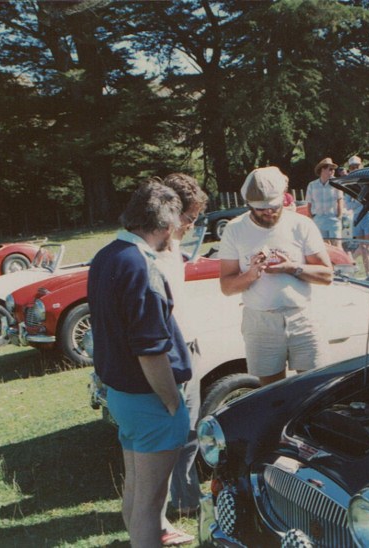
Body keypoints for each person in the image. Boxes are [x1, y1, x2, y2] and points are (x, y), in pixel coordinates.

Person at [88, 181, 191, 548]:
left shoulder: (106, 255)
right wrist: (172, 402)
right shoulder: (140, 265)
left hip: (122, 396)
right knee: (150, 504)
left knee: (135, 491)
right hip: (148, 399)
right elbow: (150, 349)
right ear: (165, 226)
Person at [219, 166, 334, 386]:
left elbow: (327, 275)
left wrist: (291, 267)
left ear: (283, 198)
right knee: (272, 394)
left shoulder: (301, 225)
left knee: (315, 388)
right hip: (260, 322)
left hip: (302, 318)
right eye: (260, 209)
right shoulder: (234, 230)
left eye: (273, 207)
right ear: (249, 205)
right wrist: (251, 274)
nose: (268, 213)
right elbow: (227, 286)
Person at [153, 173, 208, 546]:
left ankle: (187, 500)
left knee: (190, 431)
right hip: (168, 355)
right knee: (162, 439)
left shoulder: (174, 250)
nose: (191, 227)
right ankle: (155, 522)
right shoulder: (149, 254)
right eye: (188, 220)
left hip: (188, 346)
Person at [343, 155, 369, 275]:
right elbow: (347, 204)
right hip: (357, 217)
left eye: (357, 166)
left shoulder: (368, 181)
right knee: (363, 248)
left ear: (361, 166)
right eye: (352, 167)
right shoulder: (349, 184)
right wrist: (359, 201)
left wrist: (358, 201)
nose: (355, 169)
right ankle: (368, 274)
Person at [306, 157, 344, 246]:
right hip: (319, 219)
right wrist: (312, 217)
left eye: (333, 169)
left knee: (337, 246)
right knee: (323, 247)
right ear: (322, 169)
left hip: (333, 219)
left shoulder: (337, 183)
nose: (333, 171)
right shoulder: (312, 185)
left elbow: (340, 200)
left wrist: (339, 216)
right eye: (330, 169)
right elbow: (309, 203)